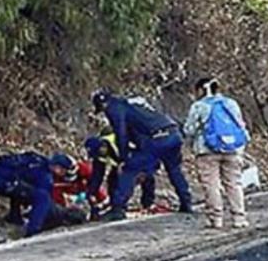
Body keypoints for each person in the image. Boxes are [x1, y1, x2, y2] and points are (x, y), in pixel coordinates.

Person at [91, 89, 192, 221]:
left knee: (129, 169)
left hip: (156, 138)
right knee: (174, 169)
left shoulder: (115, 108)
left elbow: (121, 134)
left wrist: (124, 158)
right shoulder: (133, 103)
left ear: (103, 104)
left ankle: (118, 208)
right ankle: (186, 203)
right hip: (173, 134)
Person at [183, 77, 250, 229]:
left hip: (207, 151)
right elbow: (240, 124)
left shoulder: (199, 106)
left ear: (201, 90)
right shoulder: (231, 103)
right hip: (233, 149)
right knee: (234, 183)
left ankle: (216, 219)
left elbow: (189, 130)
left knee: (211, 184)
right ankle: (239, 218)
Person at [0, 152, 83, 237]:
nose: (65, 175)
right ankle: (33, 230)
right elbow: (42, 201)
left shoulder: (39, 161)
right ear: (58, 168)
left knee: (22, 189)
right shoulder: (45, 177)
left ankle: (15, 218)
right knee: (42, 198)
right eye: (65, 171)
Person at [83, 131, 157, 219]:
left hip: (139, 157)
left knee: (143, 178)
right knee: (112, 179)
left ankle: (147, 204)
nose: (99, 156)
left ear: (103, 146)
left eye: (99, 153)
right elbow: (97, 176)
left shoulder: (120, 140)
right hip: (121, 162)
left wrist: (146, 170)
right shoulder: (100, 154)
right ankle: (116, 206)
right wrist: (92, 193)